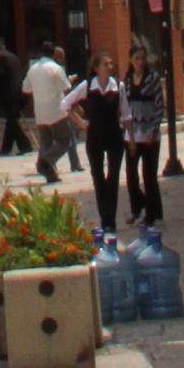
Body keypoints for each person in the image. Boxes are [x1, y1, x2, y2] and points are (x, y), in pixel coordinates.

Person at [79, 51, 126, 237]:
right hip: (95, 137)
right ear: (96, 68)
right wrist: (82, 123)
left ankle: (111, 220)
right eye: (105, 64)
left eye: (111, 64)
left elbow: (126, 112)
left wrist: (129, 136)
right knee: (98, 178)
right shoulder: (88, 86)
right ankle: (104, 219)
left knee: (113, 178)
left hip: (114, 136)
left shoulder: (118, 86)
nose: (109, 67)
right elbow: (66, 104)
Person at [121, 38, 165, 226]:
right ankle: (137, 207)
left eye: (143, 58)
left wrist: (154, 130)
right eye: (137, 58)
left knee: (149, 175)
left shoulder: (152, 78)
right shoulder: (128, 80)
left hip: (149, 132)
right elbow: (124, 106)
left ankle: (153, 214)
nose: (140, 62)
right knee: (131, 176)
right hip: (132, 133)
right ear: (131, 60)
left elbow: (159, 105)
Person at [24, 42, 73, 180]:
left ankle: (50, 174)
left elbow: (25, 88)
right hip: (56, 112)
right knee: (65, 140)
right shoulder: (56, 68)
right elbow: (66, 87)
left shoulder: (33, 69)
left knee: (46, 142)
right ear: (53, 54)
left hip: (40, 112)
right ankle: (45, 161)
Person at [0, 36, 29, 154]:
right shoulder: (13, 56)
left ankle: (25, 145)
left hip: (10, 95)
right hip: (20, 92)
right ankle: (6, 148)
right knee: (11, 120)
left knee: (12, 120)